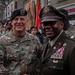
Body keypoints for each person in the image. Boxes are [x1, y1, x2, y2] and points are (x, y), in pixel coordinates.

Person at [0, 8, 42, 75]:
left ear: (27, 21)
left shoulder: (34, 40)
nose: (19, 22)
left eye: (22, 19)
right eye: (16, 19)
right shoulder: (2, 41)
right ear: (11, 22)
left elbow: (41, 62)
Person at [38, 5, 75, 75]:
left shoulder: (72, 47)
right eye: (45, 24)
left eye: (52, 23)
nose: (48, 27)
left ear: (62, 24)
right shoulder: (47, 45)